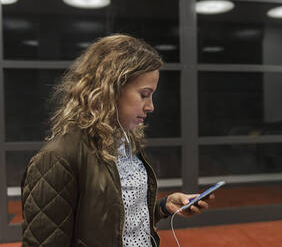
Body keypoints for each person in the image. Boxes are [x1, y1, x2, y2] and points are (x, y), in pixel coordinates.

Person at [21, 34, 213, 247]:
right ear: (110, 90)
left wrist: (164, 207)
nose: (151, 106)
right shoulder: (56, 158)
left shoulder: (126, 142)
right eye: (144, 94)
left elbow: (115, 220)